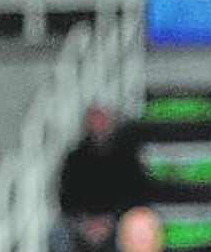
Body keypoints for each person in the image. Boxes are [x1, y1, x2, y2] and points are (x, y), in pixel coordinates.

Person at [52, 106, 150, 252]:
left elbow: (138, 191)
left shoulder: (126, 157)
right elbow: (66, 195)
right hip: (83, 222)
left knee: (139, 229)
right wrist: (84, 221)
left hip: (117, 220)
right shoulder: (75, 158)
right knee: (57, 236)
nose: (98, 126)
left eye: (102, 121)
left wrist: (110, 220)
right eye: (94, 121)